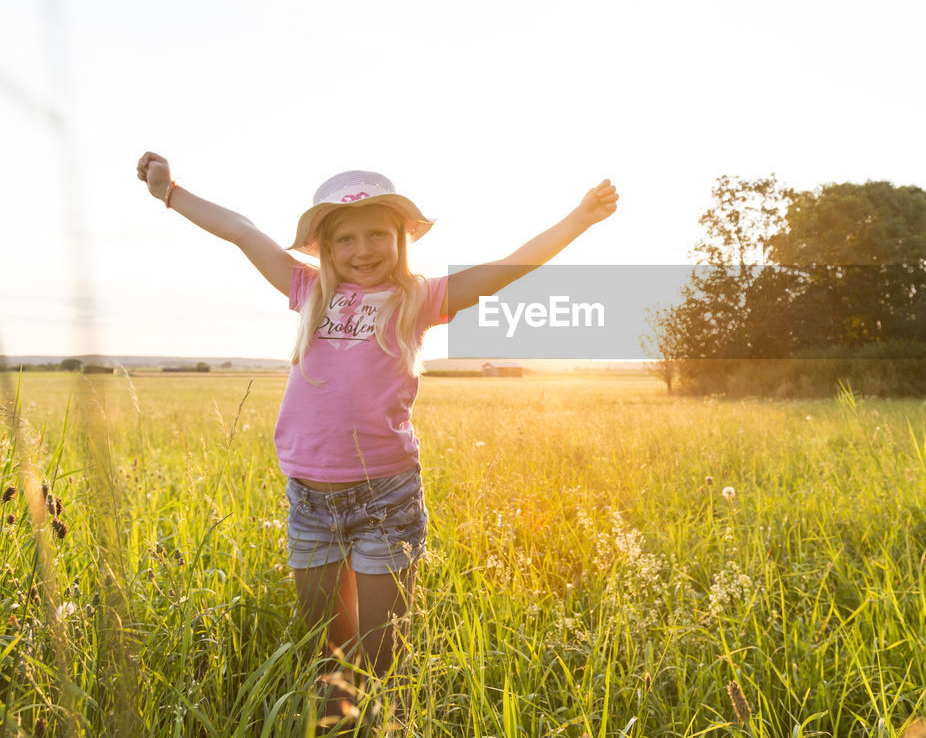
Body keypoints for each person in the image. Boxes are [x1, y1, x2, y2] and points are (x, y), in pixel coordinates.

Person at [134, 151, 618, 717]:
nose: (362, 250)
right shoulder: (308, 290)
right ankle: (341, 728)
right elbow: (242, 231)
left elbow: (508, 268)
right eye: (346, 239)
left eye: (377, 235)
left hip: (385, 498)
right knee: (329, 657)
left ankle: (389, 725)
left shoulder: (420, 298)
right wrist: (170, 193)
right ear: (326, 248)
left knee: (383, 655)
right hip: (310, 501)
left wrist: (579, 219)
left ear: (400, 239)